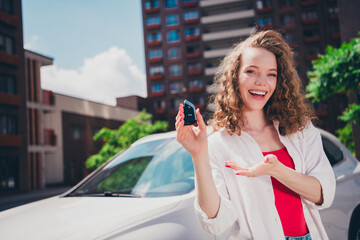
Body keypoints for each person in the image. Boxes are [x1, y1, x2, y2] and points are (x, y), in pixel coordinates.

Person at [175, 30, 335, 240]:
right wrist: (198, 154)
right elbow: (215, 221)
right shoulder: (218, 144)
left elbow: (324, 194)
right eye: (251, 71)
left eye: (271, 74)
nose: (262, 81)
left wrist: (277, 170)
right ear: (235, 77)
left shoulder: (300, 129)